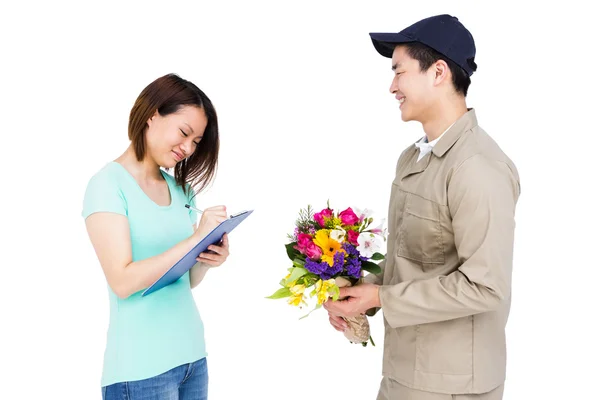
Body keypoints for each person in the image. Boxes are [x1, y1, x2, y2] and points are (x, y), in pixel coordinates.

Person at [323, 14, 521, 400]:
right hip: (403, 372)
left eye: (399, 71)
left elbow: (484, 286)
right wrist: (363, 290)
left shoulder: (478, 167)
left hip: (452, 385)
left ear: (439, 72)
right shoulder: (412, 159)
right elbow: (415, 259)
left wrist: (381, 298)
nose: (392, 86)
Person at [82, 73, 230, 399]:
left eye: (196, 141)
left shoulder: (180, 189)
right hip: (141, 369)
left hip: (192, 358)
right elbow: (122, 281)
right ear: (152, 115)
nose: (188, 148)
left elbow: (181, 279)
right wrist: (194, 239)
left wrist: (206, 260)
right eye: (184, 133)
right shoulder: (107, 185)